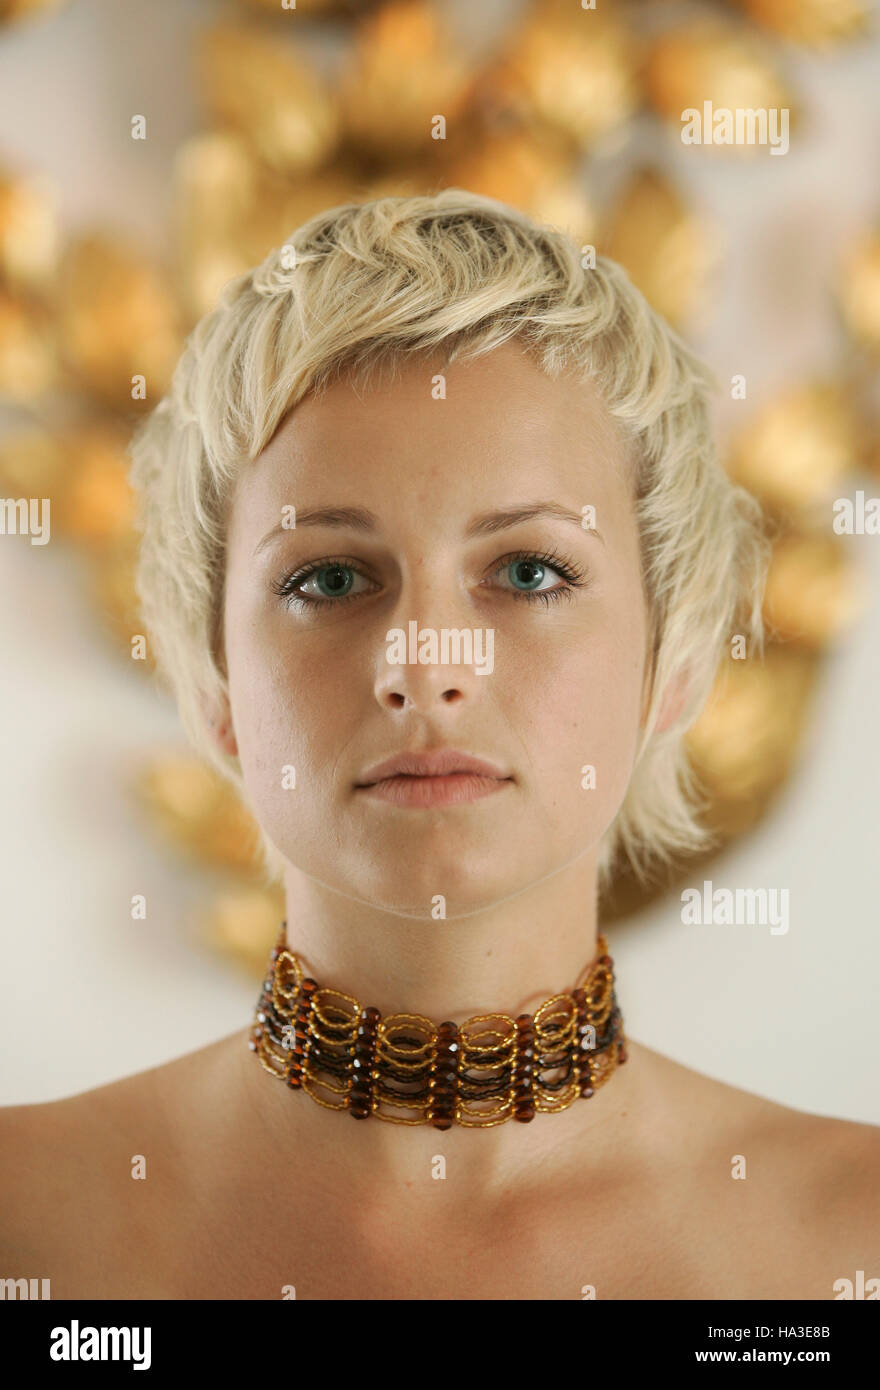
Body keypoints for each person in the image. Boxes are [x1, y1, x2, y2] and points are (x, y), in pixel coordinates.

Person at [2, 190, 877, 1300]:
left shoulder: (853, 1249)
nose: (423, 660)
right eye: (327, 578)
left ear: (680, 657)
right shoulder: (23, 1232)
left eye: (529, 572)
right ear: (213, 679)